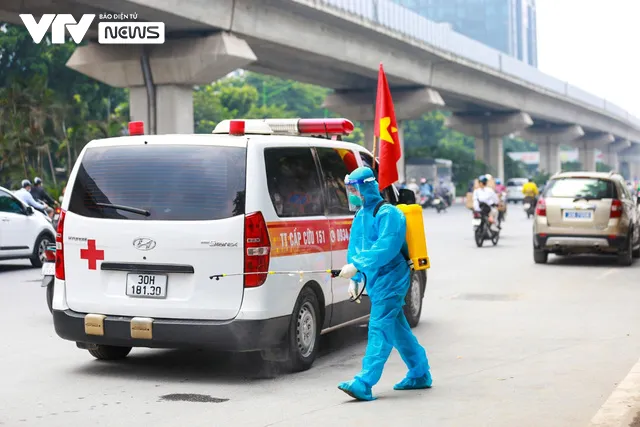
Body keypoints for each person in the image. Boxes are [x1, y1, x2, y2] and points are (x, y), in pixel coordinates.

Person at [337, 166, 432, 401]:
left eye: (354, 189)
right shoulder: (360, 216)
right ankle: (420, 372)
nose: (352, 194)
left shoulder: (389, 214)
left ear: (366, 187)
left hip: (392, 277)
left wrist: (358, 265)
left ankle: (365, 381)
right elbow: (356, 247)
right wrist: (356, 278)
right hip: (376, 279)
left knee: (379, 327)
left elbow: (386, 247)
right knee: (398, 329)